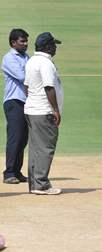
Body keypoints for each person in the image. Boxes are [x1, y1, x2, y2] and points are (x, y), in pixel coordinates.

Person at [24, 32, 63, 195]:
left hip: (32, 109)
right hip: (43, 111)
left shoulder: (31, 60)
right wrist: (55, 109)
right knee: (46, 147)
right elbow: (48, 87)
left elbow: (26, 86)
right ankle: (41, 184)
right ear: (47, 46)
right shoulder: (46, 63)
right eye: (53, 45)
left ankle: (35, 183)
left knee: (35, 148)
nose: (55, 48)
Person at [1, 29, 29, 184]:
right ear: (13, 43)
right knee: (15, 138)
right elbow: (23, 77)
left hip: (26, 102)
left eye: (26, 41)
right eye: (22, 41)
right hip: (14, 101)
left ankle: (17, 171)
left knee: (23, 138)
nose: (25, 44)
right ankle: (9, 172)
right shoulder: (9, 58)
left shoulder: (26, 57)